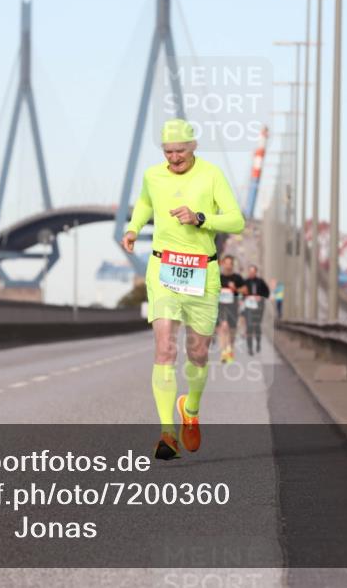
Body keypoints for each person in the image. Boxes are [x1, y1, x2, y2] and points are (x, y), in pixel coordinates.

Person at [121, 118, 245, 460]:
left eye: (180, 151)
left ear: (193, 148)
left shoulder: (211, 175)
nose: (174, 158)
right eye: (168, 151)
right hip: (163, 269)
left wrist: (201, 217)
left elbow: (237, 220)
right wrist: (133, 228)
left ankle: (190, 408)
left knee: (198, 354)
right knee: (164, 349)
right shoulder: (153, 175)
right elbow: (146, 203)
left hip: (202, 274)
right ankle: (167, 434)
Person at [215, 255, 244, 365]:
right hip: (221, 306)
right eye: (226, 263)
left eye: (230, 263)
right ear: (222, 264)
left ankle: (230, 350)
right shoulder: (218, 277)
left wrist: (235, 288)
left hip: (233, 307)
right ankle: (223, 352)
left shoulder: (237, 278)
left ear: (232, 265)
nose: (228, 266)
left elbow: (245, 290)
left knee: (231, 332)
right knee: (222, 328)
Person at [240, 265, 270, 356]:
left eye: (253, 272)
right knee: (249, 327)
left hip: (258, 308)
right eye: (250, 272)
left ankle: (258, 343)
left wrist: (260, 297)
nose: (251, 274)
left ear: (255, 272)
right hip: (248, 307)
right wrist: (242, 300)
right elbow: (241, 294)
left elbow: (267, 292)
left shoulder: (261, 282)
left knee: (257, 327)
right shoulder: (245, 282)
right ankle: (249, 348)